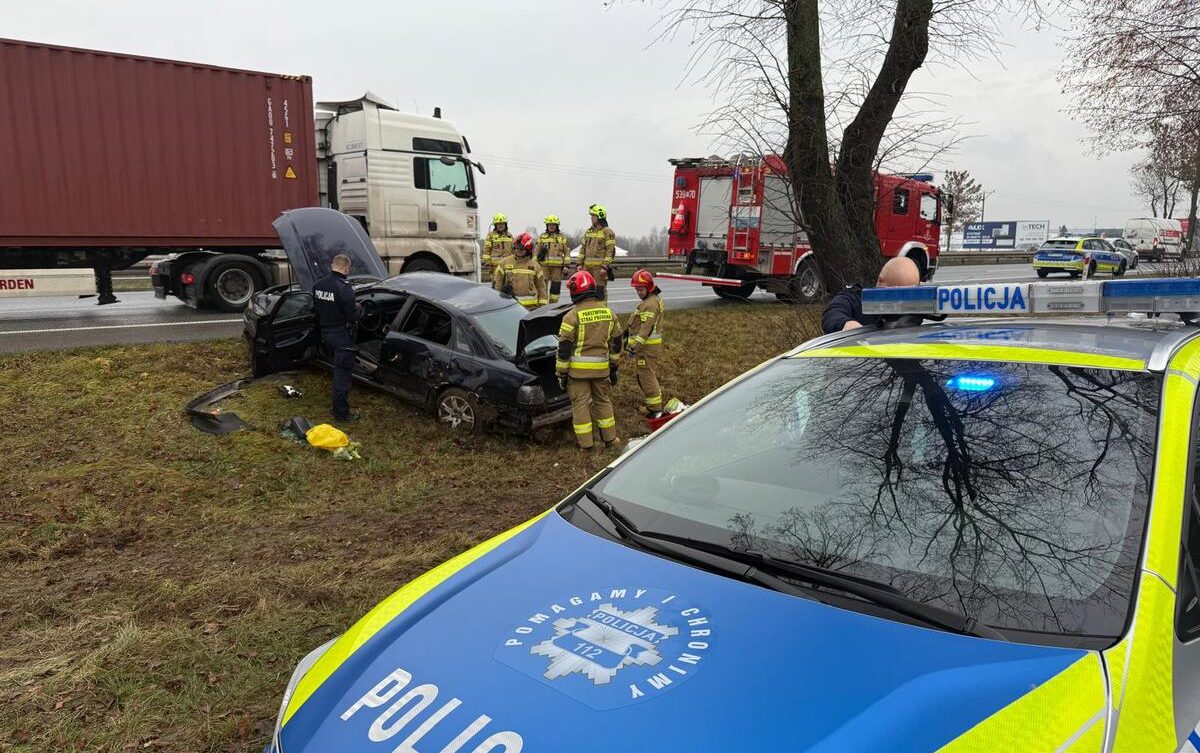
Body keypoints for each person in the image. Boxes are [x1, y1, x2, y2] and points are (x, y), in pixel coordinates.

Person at [557, 270, 622, 450]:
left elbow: (563, 350)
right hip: (602, 370)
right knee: (603, 401)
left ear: (574, 292)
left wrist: (561, 374)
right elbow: (617, 343)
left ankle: (587, 446)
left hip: (578, 373)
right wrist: (614, 367)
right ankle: (610, 440)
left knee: (580, 405)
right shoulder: (609, 313)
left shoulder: (571, 316)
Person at [821, 256, 922, 334]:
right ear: (880, 282)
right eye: (893, 294)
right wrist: (847, 324)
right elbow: (832, 313)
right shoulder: (856, 299)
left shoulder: (921, 306)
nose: (899, 303)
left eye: (907, 296)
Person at [314, 254, 360, 421]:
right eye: (349, 269)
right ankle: (341, 413)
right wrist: (359, 309)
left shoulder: (318, 284)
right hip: (341, 336)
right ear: (346, 268)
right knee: (342, 375)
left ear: (332, 265)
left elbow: (317, 309)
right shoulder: (344, 288)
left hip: (326, 333)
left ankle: (339, 409)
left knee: (337, 368)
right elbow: (352, 316)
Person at [626, 269, 666, 417]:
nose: (639, 292)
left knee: (646, 376)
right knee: (644, 375)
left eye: (641, 289)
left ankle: (654, 409)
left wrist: (634, 347)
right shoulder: (650, 300)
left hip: (646, 348)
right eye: (637, 289)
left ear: (649, 287)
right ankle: (653, 405)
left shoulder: (651, 304)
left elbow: (646, 329)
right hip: (646, 347)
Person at [492, 232, 548, 310]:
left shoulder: (536, 266)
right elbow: (497, 283)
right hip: (510, 307)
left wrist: (543, 308)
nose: (518, 250)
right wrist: (498, 301)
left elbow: (542, 288)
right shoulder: (504, 263)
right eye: (516, 248)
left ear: (528, 249)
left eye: (521, 249)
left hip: (531, 309)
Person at [578, 204, 616, 300]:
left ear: (600, 216)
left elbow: (610, 251)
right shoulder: (588, 232)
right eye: (591, 216)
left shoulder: (607, 231)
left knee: (600, 292)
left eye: (593, 216)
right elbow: (582, 249)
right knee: (587, 292)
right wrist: (579, 264)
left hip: (599, 269)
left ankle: (603, 312)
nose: (591, 218)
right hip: (587, 268)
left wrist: (605, 266)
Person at [535, 214, 571, 303]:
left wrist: (566, 265)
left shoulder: (562, 238)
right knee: (542, 286)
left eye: (553, 225)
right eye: (549, 225)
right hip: (544, 266)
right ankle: (543, 305)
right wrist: (534, 264)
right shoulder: (542, 237)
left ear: (557, 226)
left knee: (555, 287)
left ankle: (553, 305)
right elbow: (536, 251)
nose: (551, 226)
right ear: (547, 226)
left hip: (557, 268)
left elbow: (567, 252)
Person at [482, 213, 513, 280]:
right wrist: (487, 262)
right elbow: (486, 251)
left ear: (505, 224)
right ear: (495, 225)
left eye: (502, 224)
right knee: (496, 284)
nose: (500, 226)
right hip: (495, 266)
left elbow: (513, 251)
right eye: (498, 224)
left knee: (509, 285)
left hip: (508, 266)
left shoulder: (510, 236)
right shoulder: (490, 236)